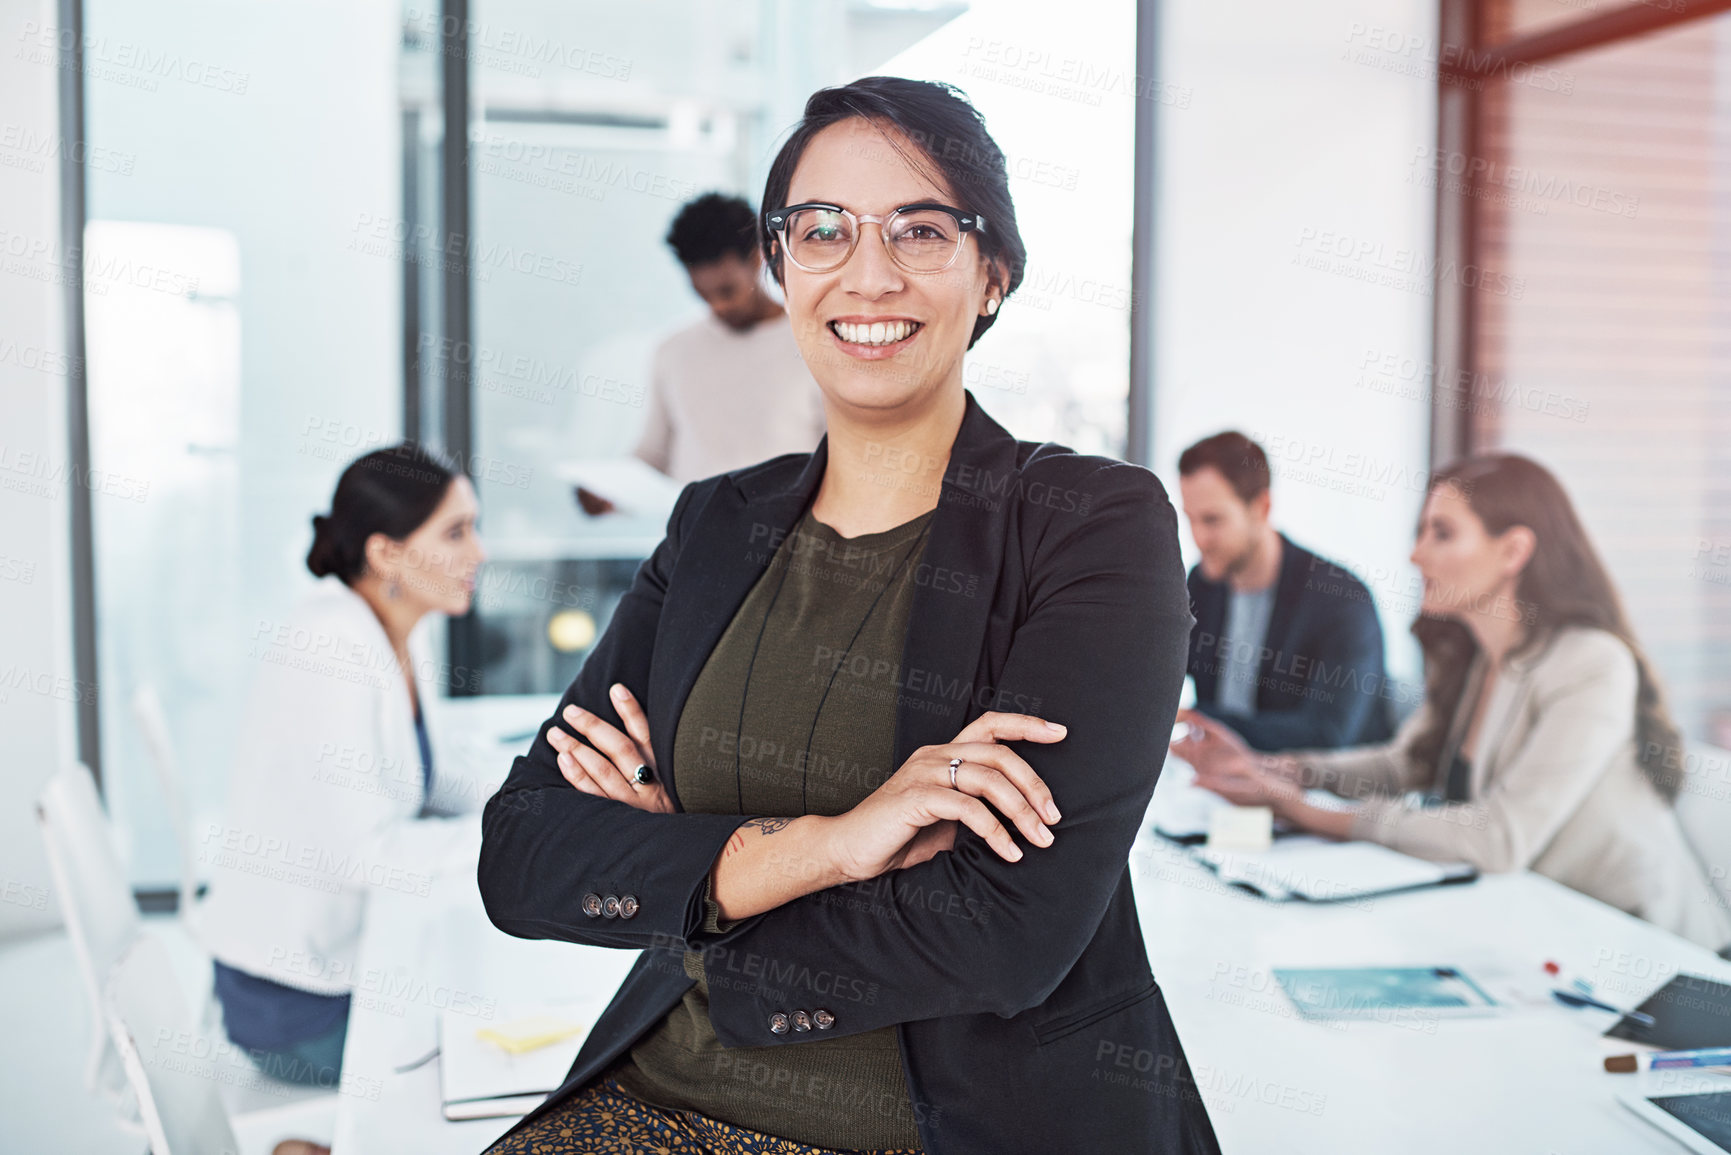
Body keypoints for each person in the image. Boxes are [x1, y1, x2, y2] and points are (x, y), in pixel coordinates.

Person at [480, 77, 1219, 1154]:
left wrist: (690, 886)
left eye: (922, 229)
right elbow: (525, 850)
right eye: (821, 229)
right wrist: (832, 846)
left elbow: (1009, 930)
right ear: (782, 266)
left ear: (992, 273)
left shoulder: (1091, 525)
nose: (868, 272)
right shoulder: (714, 525)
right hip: (653, 1097)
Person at [1174, 454, 1731, 951]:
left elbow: (1497, 838)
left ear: (1513, 550)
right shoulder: (1475, 655)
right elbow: (1404, 765)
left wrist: (1308, 811)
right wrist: (1275, 769)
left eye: (1442, 533)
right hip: (1530, 930)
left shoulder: (1591, 664)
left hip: (1642, 956)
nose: (1416, 555)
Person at [200, 444, 487, 1096]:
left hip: (348, 964)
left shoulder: (397, 628)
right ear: (387, 553)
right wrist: (515, 834)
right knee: (506, 1048)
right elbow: (369, 854)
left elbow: (435, 775)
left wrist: (536, 797)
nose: (479, 552)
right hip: (296, 1003)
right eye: (455, 531)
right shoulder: (330, 650)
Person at [577, 193, 826, 517]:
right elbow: (655, 452)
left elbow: (838, 459)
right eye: (702, 293)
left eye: (726, 291)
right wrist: (608, 492)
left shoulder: (815, 345)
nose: (717, 306)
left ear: (758, 258)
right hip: (691, 547)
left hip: (790, 545)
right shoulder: (673, 351)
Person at [1177, 431, 1392, 750]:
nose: (1198, 538)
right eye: (1190, 519)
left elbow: (1328, 734)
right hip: (1219, 785)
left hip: (1319, 791)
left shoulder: (1341, 599)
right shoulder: (1203, 584)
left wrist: (1201, 719)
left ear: (1261, 507)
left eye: (1213, 520)